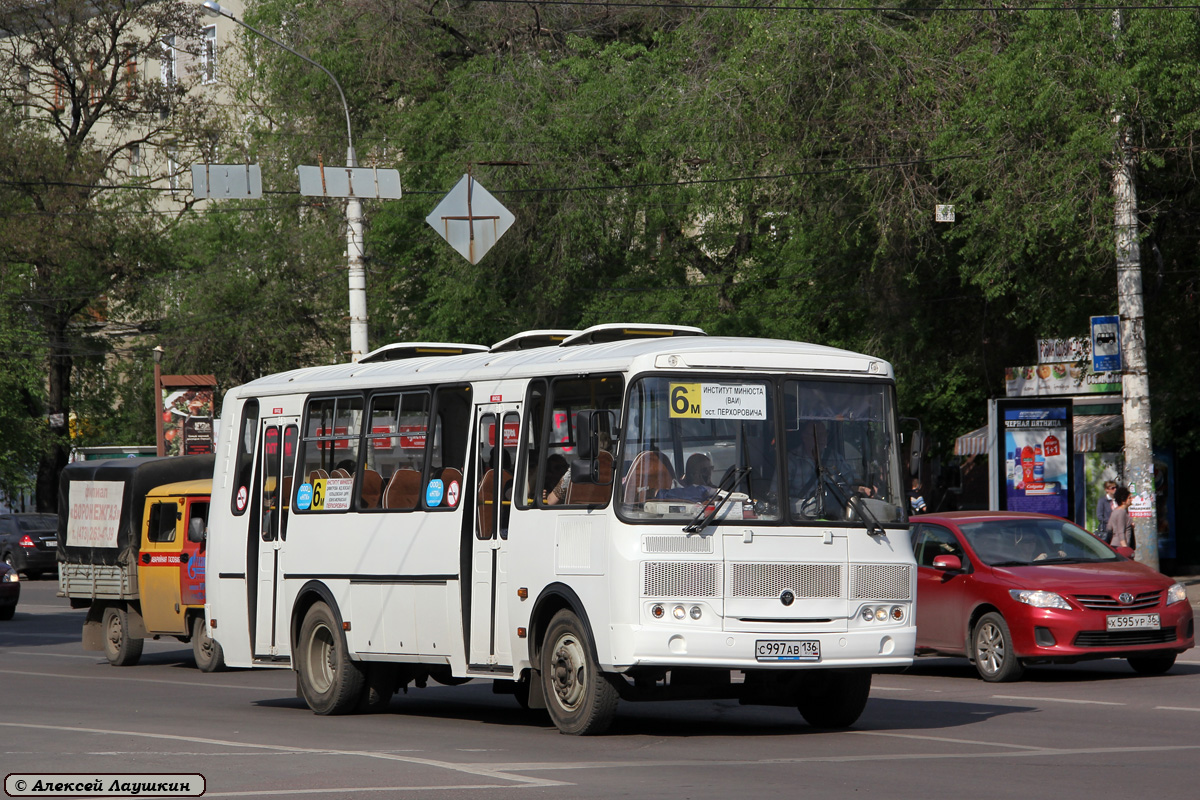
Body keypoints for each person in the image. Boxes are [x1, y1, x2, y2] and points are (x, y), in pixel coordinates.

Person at [787, 421, 872, 518]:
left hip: (833, 516)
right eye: (816, 435)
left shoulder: (834, 457)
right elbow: (776, 494)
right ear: (804, 437)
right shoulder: (791, 460)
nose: (821, 438)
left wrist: (862, 488)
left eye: (824, 434)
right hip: (799, 519)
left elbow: (850, 483)